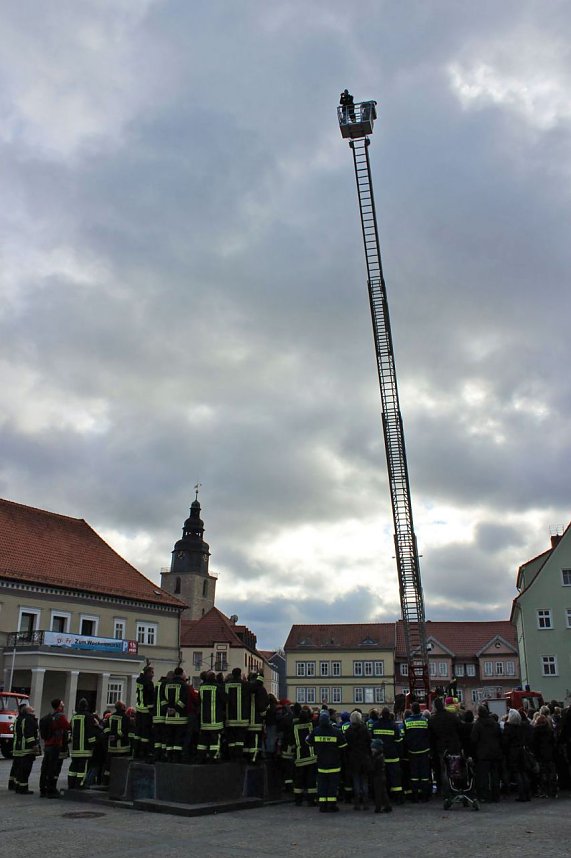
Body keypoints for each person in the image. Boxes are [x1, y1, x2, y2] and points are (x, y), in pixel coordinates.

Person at [306, 710, 347, 812]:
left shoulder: (316, 731)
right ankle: (331, 805)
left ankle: (323, 805)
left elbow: (308, 742)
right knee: (333, 785)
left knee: (322, 785)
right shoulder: (336, 731)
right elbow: (343, 746)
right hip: (334, 763)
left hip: (321, 763)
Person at [39, 698, 70, 798]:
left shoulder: (50, 716)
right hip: (55, 745)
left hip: (48, 745)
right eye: (62, 703)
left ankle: (43, 789)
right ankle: (51, 790)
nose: (63, 704)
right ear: (59, 705)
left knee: (45, 768)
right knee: (53, 768)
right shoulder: (60, 716)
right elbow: (68, 726)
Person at [471, 704, 502, 803]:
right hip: (495, 752)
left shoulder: (477, 724)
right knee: (495, 775)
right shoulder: (494, 723)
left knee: (483, 776)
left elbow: (474, 739)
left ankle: (484, 795)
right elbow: (499, 736)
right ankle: (496, 795)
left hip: (483, 753)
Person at [372, 708, 403, 803]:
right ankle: (398, 798)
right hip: (392, 756)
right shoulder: (394, 726)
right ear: (389, 715)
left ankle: (382, 797)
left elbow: (372, 741)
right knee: (395, 778)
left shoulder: (375, 725)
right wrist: (399, 754)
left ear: (381, 715)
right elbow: (398, 742)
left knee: (381, 778)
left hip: (380, 757)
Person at [68, 698, 100, 789]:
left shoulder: (74, 717)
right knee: (82, 768)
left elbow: (71, 730)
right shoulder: (89, 716)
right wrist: (93, 743)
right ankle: (80, 784)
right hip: (85, 749)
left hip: (75, 749)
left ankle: (71, 784)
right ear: (86, 706)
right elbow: (90, 732)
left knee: (73, 767)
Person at [403, 702, 431, 802]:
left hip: (412, 752)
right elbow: (429, 735)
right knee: (424, 774)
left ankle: (415, 796)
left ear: (412, 710)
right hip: (424, 751)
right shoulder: (425, 721)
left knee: (414, 775)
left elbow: (404, 737)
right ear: (419, 710)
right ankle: (425, 796)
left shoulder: (406, 722)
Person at [345, 710, 372, 810]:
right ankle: (365, 802)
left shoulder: (348, 731)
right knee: (364, 780)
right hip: (364, 758)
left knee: (356, 781)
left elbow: (346, 746)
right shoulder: (365, 730)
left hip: (353, 759)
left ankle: (357, 802)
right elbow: (369, 742)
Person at [502, 708, 530, 801]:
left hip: (513, 752)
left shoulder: (508, 728)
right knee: (523, 772)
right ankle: (527, 794)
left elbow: (505, 743)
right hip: (521, 750)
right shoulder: (521, 727)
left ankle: (521, 795)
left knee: (517, 773)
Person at [102, 701, 132, 785]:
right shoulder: (125, 718)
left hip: (111, 747)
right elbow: (126, 731)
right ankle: (119, 783)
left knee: (108, 767)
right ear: (122, 707)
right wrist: (117, 737)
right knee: (121, 767)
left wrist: (110, 736)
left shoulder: (111, 717)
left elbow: (106, 729)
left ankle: (106, 782)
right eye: (124, 705)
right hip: (123, 748)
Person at [163, 667, 189, 763]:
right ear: (181, 674)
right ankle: (176, 757)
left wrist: (167, 709)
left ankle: (169, 756)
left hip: (168, 718)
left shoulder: (167, 684)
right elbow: (184, 699)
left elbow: (163, 699)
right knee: (178, 739)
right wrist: (176, 709)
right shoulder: (184, 685)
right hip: (180, 719)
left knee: (169, 738)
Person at [225, 668, 249, 760]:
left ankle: (231, 756)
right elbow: (256, 686)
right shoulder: (245, 684)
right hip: (242, 718)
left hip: (229, 718)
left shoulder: (226, 685)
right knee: (240, 740)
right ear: (240, 674)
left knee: (231, 740)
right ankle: (238, 756)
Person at [134, 664, 155, 761]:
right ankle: (144, 752)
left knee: (138, 733)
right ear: (148, 673)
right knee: (145, 734)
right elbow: (150, 697)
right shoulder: (149, 683)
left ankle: (136, 752)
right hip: (146, 711)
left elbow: (141, 674)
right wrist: (152, 711)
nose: (153, 674)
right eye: (152, 672)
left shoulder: (139, 680)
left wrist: (145, 668)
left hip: (138, 709)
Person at [371, 738, 392, 813]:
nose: (372, 749)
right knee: (383, 792)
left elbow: (372, 768)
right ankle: (388, 806)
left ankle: (378, 808)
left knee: (378, 793)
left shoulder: (377, 757)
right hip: (382, 776)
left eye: (373, 748)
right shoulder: (381, 755)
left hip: (377, 777)